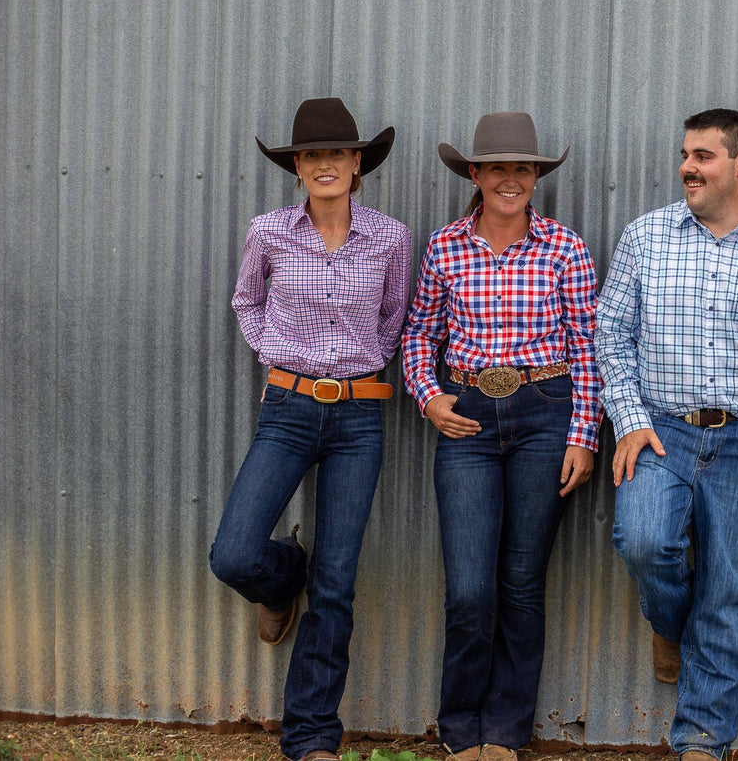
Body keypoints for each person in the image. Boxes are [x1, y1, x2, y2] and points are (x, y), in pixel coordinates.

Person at [595, 108, 738, 761]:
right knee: (643, 540)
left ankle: (703, 742)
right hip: (661, 430)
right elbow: (610, 334)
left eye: (703, 156)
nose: (687, 167)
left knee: (728, 589)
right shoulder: (645, 238)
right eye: (685, 154)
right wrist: (631, 420)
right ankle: (671, 624)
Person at [209, 97, 411, 761]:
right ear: (298, 167)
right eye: (312, 155)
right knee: (234, 553)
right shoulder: (267, 232)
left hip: (358, 417)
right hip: (288, 411)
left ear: (358, 164)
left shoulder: (390, 237)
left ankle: (311, 737)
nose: (325, 165)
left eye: (337, 154)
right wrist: (275, 352)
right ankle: (282, 572)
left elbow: (393, 318)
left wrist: (361, 365)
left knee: (337, 581)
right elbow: (247, 298)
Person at [401, 112, 601, 761]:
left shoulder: (565, 248)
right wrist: (429, 398)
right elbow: (417, 336)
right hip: (467, 420)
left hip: (545, 412)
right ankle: (460, 730)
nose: (510, 180)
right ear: (476, 175)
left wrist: (583, 436)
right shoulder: (445, 247)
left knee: (520, 581)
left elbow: (586, 349)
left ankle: (505, 733)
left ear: (536, 177)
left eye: (523, 169)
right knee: (469, 589)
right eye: (497, 168)